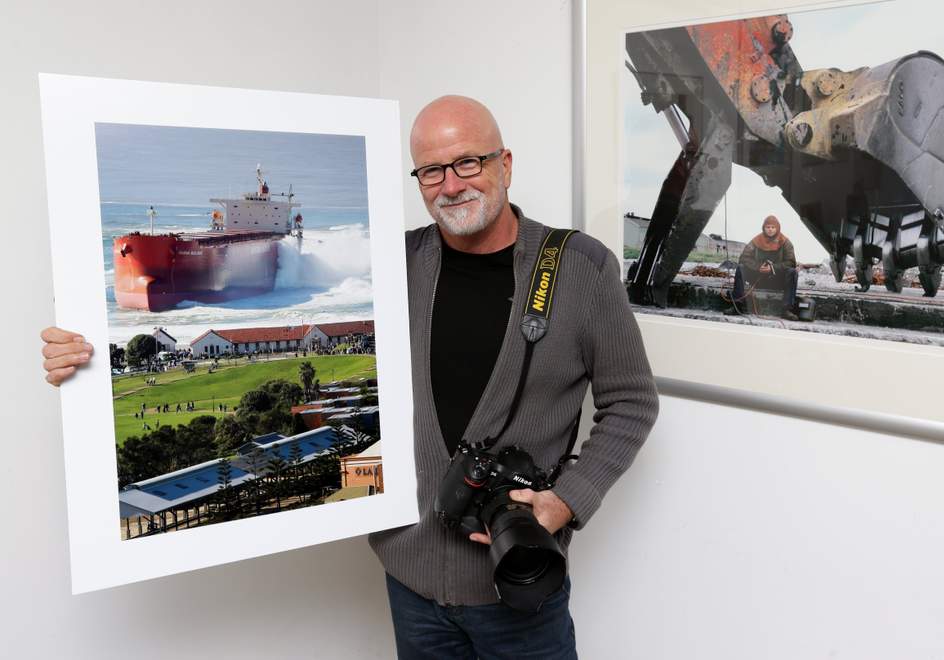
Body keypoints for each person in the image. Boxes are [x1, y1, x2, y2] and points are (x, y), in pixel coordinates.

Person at [39, 95, 658, 659]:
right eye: (431, 171)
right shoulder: (395, 264)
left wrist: (568, 500)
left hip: (519, 580)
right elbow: (287, 331)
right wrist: (90, 354)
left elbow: (631, 401)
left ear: (506, 163)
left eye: (468, 163)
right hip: (410, 582)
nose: (450, 185)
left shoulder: (579, 267)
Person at [725, 215, 799, 320]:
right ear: (764, 228)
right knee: (741, 268)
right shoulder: (756, 241)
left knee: (792, 272)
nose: (770, 229)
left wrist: (773, 268)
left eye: (773, 227)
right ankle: (738, 306)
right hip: (757, 277)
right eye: (768, 227)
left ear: (777, 228)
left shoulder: (786, 242)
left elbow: (791, 262)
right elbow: (743, 258)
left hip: (777, 280)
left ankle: (786, 310)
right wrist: (758, 267)